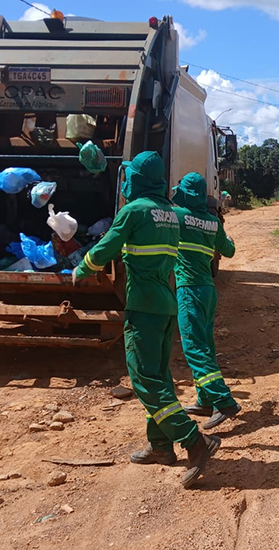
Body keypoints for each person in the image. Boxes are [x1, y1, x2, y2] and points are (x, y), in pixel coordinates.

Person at [71, 152, 220, 488]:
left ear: (136, 179)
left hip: (144, 308)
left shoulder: (134, 211)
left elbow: (107, 246)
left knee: (144, 381)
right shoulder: (169, 213)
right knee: (160, 377)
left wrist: (81, 270)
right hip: (167, 305)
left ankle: (194, 441)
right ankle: (160, 446)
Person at [172, 172, 240, 429]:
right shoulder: (213, 222)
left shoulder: (178, 217)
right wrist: (226, 235)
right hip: (208, 291)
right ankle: (205, 399)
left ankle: (224, 401)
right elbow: (229, 251)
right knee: (205, 344)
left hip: (188, 290)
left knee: (194, 348)